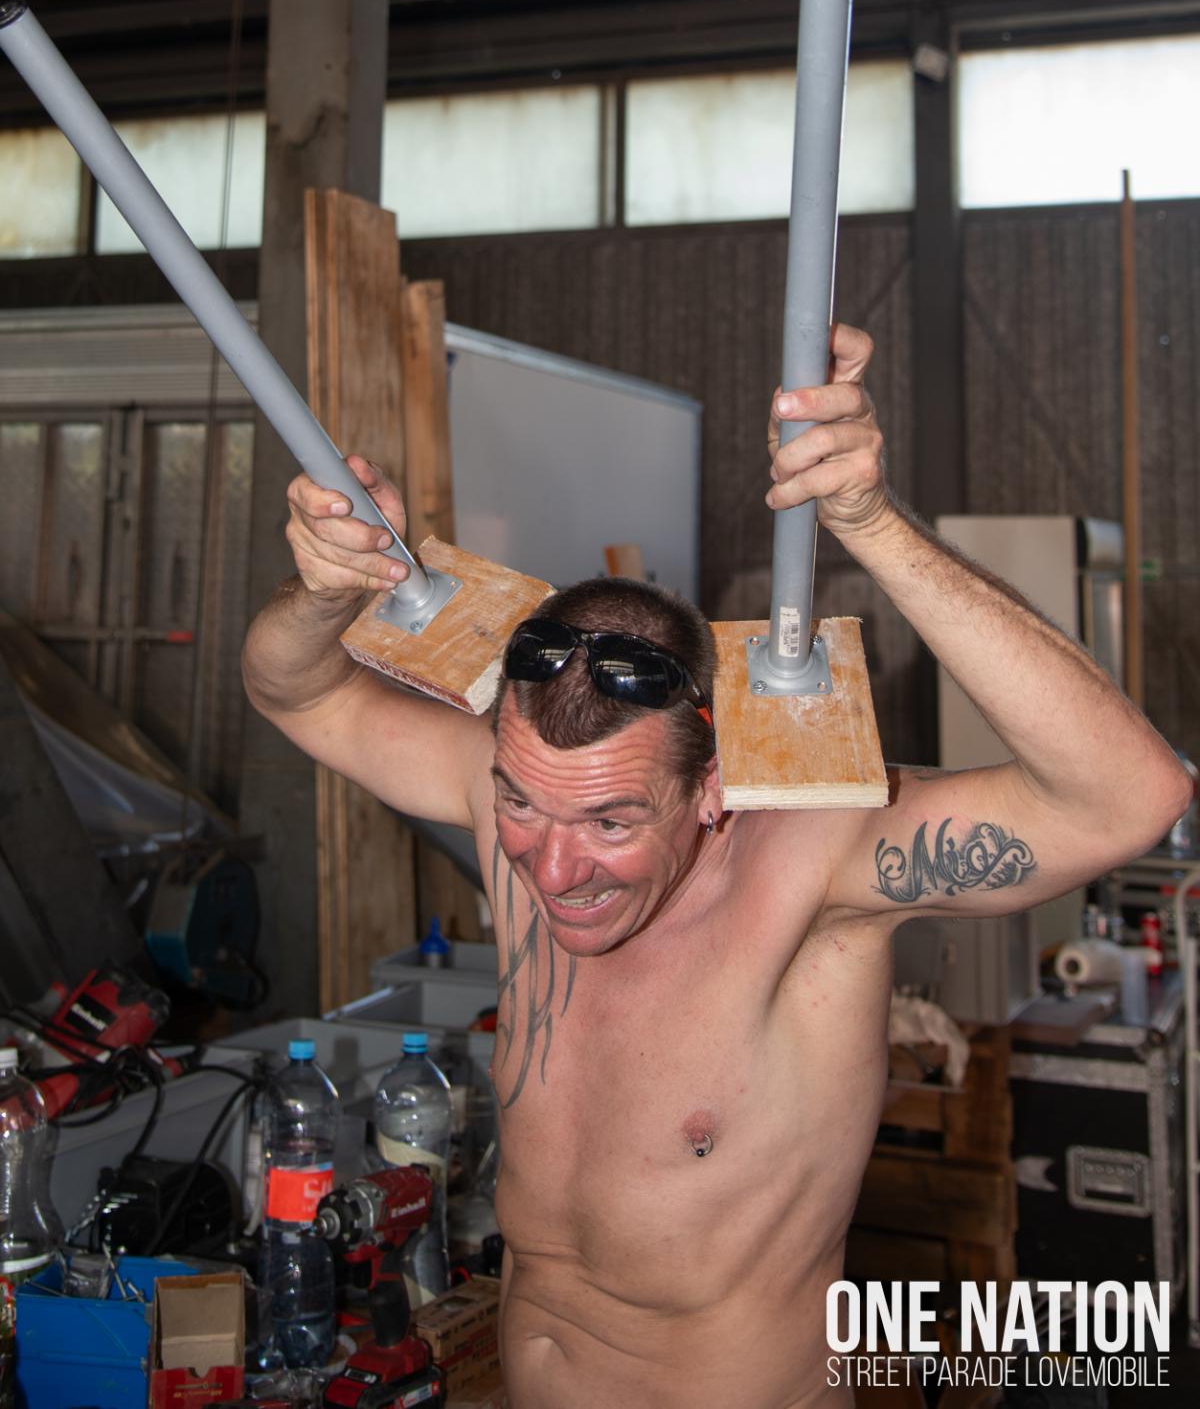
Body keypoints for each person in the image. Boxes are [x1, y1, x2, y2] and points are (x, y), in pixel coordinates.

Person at [242, 322, 1191, 1409]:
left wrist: (872, 523)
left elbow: (1132, 796)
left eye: (612, 821)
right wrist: (328, 591)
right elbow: (296, 690)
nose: (552, 869)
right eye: (520, 805)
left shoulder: (815, 859)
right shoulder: (520, 790)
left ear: (712, 789)